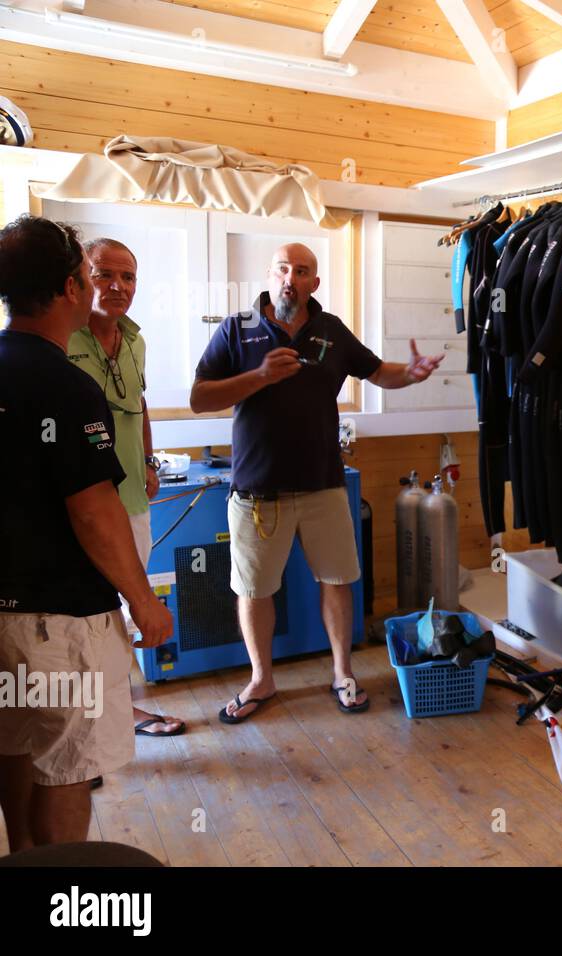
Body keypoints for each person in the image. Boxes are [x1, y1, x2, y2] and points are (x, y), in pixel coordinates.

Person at [191, 243, 443, 723]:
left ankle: (343, 672)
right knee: (254, 589)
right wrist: (259, 377)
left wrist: (408, 374)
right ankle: (261, 680)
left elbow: (377, 372)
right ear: (270, 275)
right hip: (255, 490)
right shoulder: (237, 329)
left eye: (301, 270)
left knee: (337, 581)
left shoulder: (330, 330)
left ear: (314, 283)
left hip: (323, 485)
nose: (291, 277)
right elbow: (200, 397)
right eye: (283, 268)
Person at [0, 215, 172, 850]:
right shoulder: (64, 384)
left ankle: (22, 864)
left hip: (5, 614)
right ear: (72, 287)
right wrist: (143, 599)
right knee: (67, 768)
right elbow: (93, 509)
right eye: (95, 274)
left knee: (15, 743)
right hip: (59, 623)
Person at [67, 238, 185, 738]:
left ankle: (119, 713)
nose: (117, 287)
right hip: (78, 503)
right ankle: (80, 726)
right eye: (103, 274)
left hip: (132, 499)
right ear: (78, 280)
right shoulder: (62, 340)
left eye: (128, 277)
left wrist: (149, 461)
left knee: (121, 613)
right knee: (85, 616)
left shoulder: (136, 340)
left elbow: (138, 404)